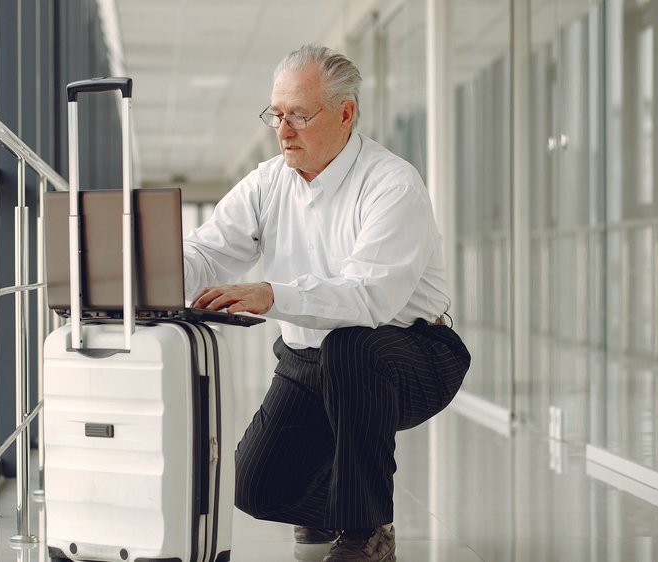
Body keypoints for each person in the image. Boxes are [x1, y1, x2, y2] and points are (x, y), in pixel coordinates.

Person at [182, 44, 471, 562]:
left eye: (299, 115)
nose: (284, 130)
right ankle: (335, 509)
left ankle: (367, 532)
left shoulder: (391, 184)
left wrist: (270, 294)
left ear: (345, 113)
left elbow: (369, 298)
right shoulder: (269, 182)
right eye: (277, 114)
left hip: (411, 354)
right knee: (255, 489)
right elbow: (207, 250)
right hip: (308, 360)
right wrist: (153, 276)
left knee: (351, 347)